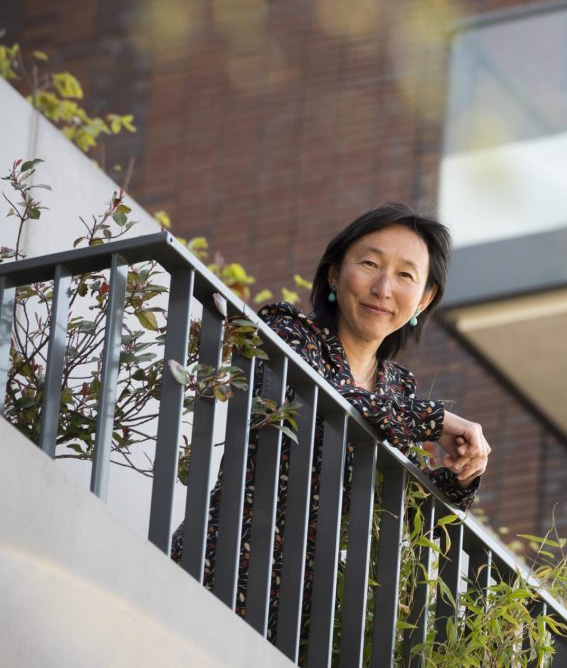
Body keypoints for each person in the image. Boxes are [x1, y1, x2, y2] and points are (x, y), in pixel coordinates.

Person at [173, 202, 490, 625]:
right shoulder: (288, 331)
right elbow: (329, 398)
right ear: (333, 273)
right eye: (370, 264)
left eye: (405, 275)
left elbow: (400, 512)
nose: (383, 288)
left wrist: (460, 478)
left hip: (303, 618)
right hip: (219, 569)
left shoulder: (398, 390)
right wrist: (435, 420)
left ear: (424, 299)